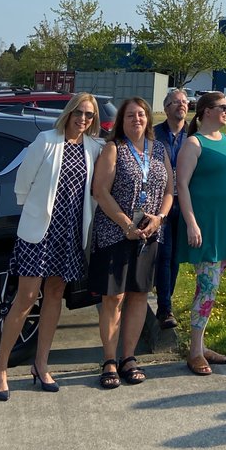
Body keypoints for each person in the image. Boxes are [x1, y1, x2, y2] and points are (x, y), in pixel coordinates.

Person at [0, 93, 103, 400]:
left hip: (70, 235)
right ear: (68, 112)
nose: (83, 119)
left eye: (89, 115)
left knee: (54, 295)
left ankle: (41, 364)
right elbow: (22, 184)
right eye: (78, 112)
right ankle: (0, 368)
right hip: (39, 233)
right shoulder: (46, 140)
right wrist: (36, 213)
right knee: (25, 299)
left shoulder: (94, 148)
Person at [90, 96, 173, 387]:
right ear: (122, 122)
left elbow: (169, 192)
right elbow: (100, 191)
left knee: (139, 295)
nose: (136, 120)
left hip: (148, 235)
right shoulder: (114, 149)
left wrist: (159, 218)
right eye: (130, 116)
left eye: (141, 115)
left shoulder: (159, 150)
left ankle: (129, 358)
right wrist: (126, 224)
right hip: (116, 233)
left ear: (148, 119)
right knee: (113, 298)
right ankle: (110, 361)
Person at [176, 92, 226, 375]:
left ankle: (200, 344)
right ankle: (194, 351)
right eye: (223, 107)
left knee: (210, 286)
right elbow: (182, 185)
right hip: (206, 227)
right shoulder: (193, 144)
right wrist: (191, 223)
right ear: (207, 111)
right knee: (208, 287)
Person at [154, 88, 190, 329]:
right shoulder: (155, 135)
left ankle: (167, 301)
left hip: (186, 202)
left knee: (176, 256)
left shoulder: (194, 134)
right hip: (162, 202)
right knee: (164, 255)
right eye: (176, 102)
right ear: (166, 108)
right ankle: (165, 308)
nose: (181, 105)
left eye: (185, 102)